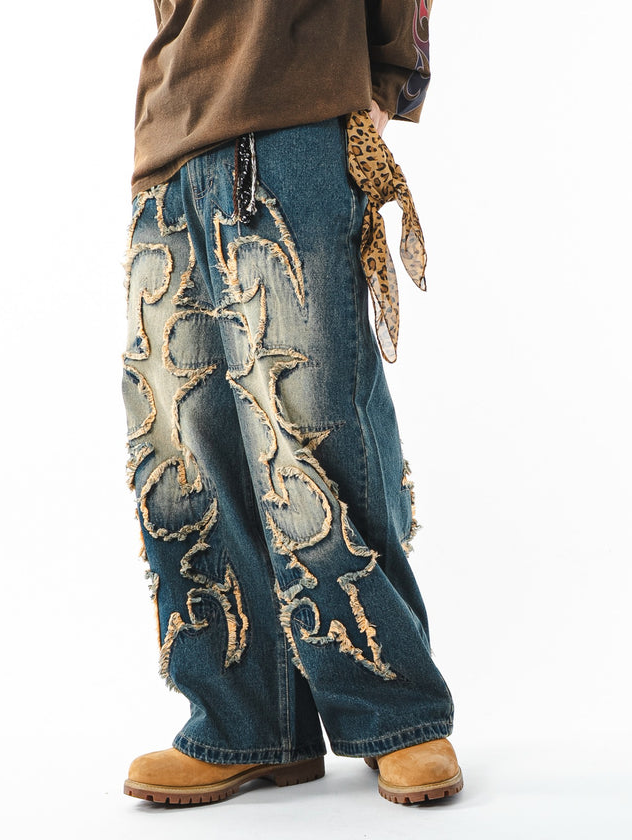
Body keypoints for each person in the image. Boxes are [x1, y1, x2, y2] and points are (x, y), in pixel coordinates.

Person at [120, 0, 463, 806]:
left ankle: (397, 714)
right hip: (168, 145)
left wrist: (389, 82)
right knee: (185, 457)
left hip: (293, 129)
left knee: (314, 430)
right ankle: (247, 726)